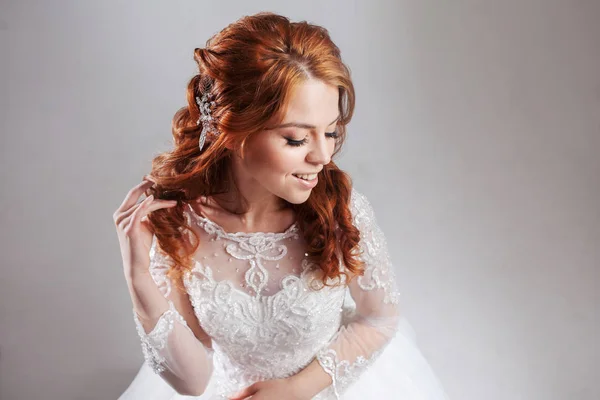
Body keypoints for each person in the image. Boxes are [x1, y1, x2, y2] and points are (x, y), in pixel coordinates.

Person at [114, 12, 450, 400]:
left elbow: (378, 318)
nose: (323, 156)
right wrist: (138, 275)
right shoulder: (179, 225)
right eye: (295, 139)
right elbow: (193, 382)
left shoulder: (341, 208)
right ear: (232, 129)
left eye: (330, 133)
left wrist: (295, 390)